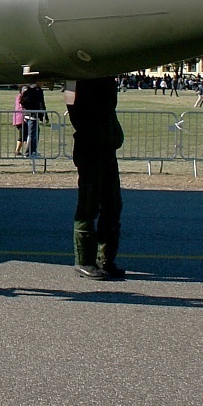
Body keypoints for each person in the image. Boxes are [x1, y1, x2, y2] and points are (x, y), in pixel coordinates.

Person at [65, 77, 125, 280]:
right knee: (88, 207)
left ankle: (106, 259)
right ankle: (84, 261)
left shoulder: (106, 76)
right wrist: (89, 128)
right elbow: (71, 102)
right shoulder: (75, 79)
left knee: (113, 205)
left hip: (106, 144)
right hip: (91, 146)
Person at [20, 81, 45, 157]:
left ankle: (33, 150)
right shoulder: (38, 90)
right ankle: (29, 152)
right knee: (32, 134)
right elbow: (41, 103)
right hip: (33, 114)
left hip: (26, 113)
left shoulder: (29, 88)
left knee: (33, 133)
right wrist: (44, 114)